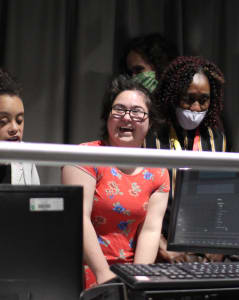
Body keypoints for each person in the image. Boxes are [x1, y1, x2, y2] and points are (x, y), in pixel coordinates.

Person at [61, 76, 170, 289]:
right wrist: (104, 277)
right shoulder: (84, 156)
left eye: (137, 112)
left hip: (130, 276)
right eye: (119, 109)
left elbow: (150, 232)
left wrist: (137, 284)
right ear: (107, 116)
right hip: (82, 273)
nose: (127, 118)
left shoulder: (158, 172)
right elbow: (78, 219)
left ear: (150, 122)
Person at [145, 56, 227, 262]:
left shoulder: (215, 136)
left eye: (204, 100)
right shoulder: (151, 134)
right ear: (173, 96)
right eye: (189, 98)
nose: (196, 108)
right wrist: (160, 245)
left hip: (205, 245)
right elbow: (136, 197)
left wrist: (221, 243)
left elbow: (224, 194)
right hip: (160, 244)